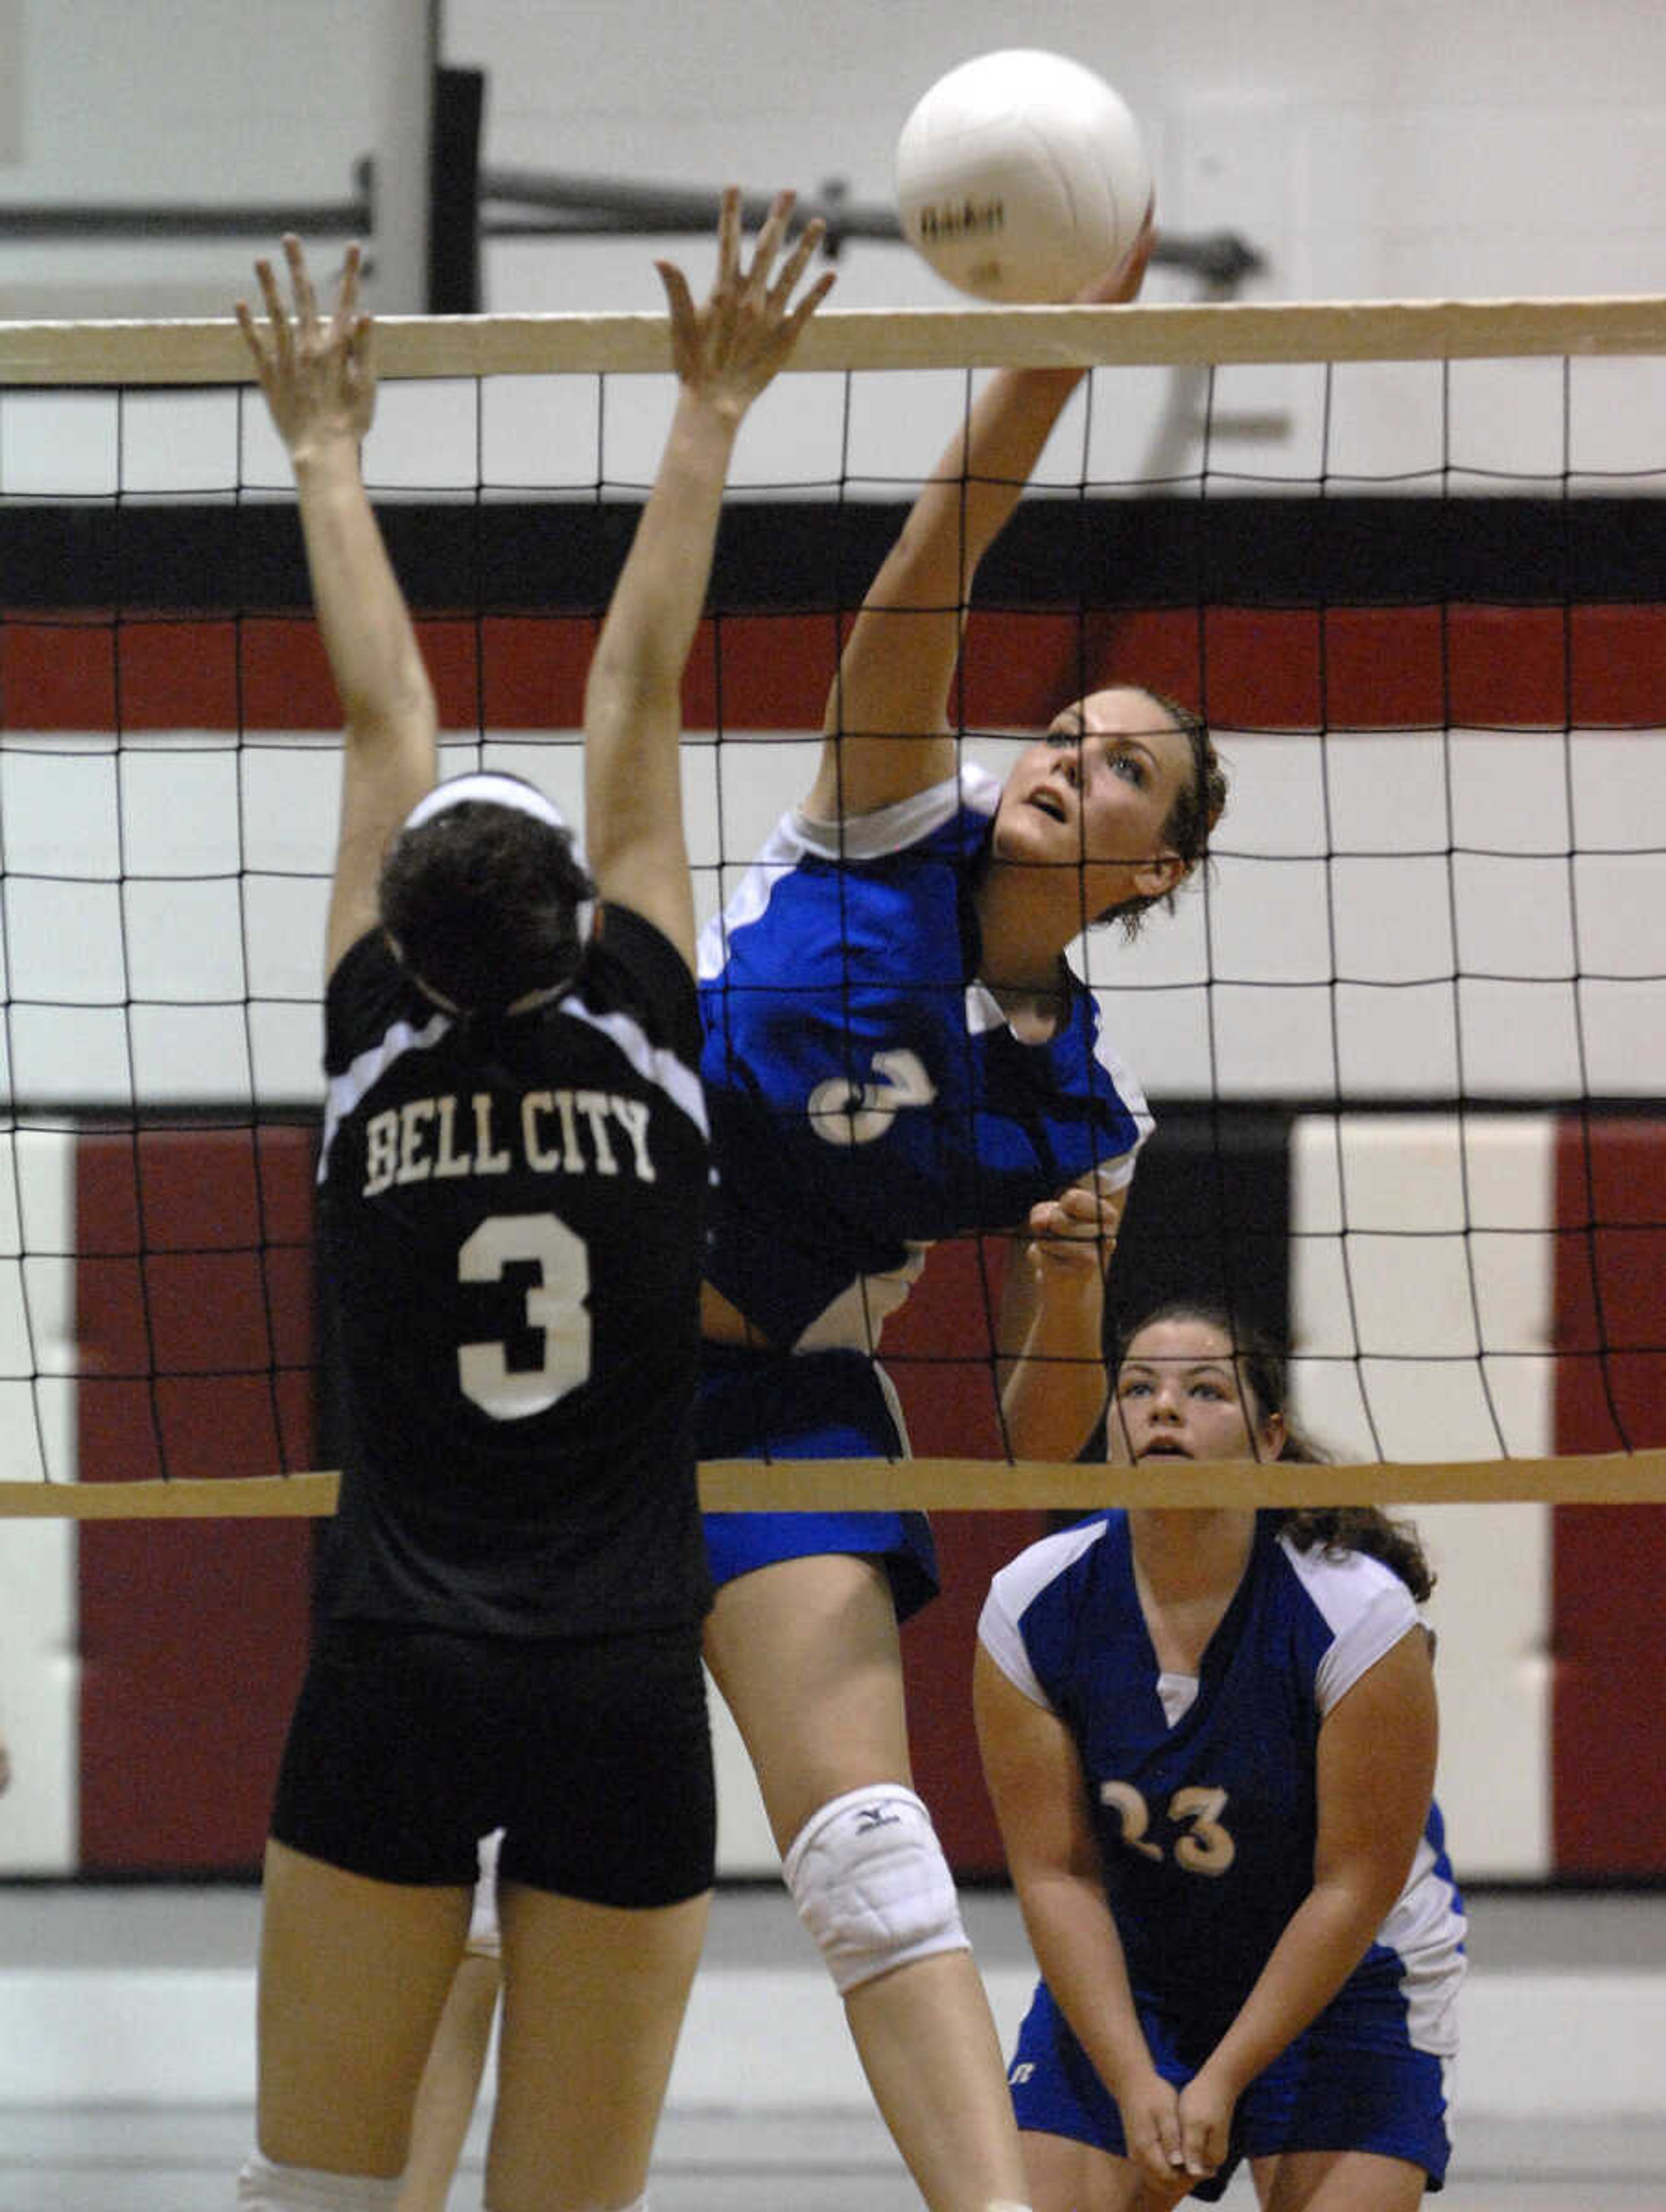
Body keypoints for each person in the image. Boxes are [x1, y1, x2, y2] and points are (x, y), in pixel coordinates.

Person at [232, 191, 832, 2212]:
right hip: (615, 1680)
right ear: (581, 921)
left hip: (394, 1661)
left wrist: (321, 444)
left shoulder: (367, 1061)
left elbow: (382, 718)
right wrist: (708, 413)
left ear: (402, 939)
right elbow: (634, 716)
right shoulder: (652, 1040)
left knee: (315, 2193)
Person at [689, 209, 1228, 2212]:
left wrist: (1071, 1291)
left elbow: (1032, 1447)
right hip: (565, 1377)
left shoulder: (1084, 1101)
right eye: (1068, 738)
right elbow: (932, 566)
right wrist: (1053, 360)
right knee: (485, 1844)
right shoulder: (877, 813)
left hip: (777, 1416)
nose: (1063, 767)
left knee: (861, 1842)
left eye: (1112, 781)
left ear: (1150, 875)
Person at [973, 1302, 1467, 2211]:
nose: (1164, 1409)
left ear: (1269, 1436)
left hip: (1346, 1980)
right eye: (1136, 1388)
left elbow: (1354, 1884)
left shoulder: (1356, 1613)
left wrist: (1223, 2075)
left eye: (1204, 1390)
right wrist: (1134, 2076)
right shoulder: (1033, 1602)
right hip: (1146, 1970)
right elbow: (1057, 1873)